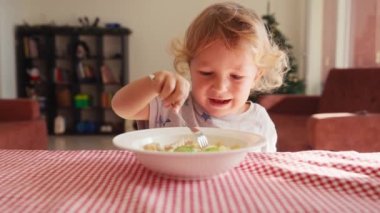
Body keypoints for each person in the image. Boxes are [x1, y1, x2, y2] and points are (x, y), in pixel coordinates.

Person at [112, 1, 288, 152]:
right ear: (190, 66)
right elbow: (121, 107)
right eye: (207, 73)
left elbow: (266, 169)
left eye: (236, 76)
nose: (220, 87)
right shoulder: (172, 103)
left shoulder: (259, 122)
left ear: (256, 76)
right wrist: (153, 83)